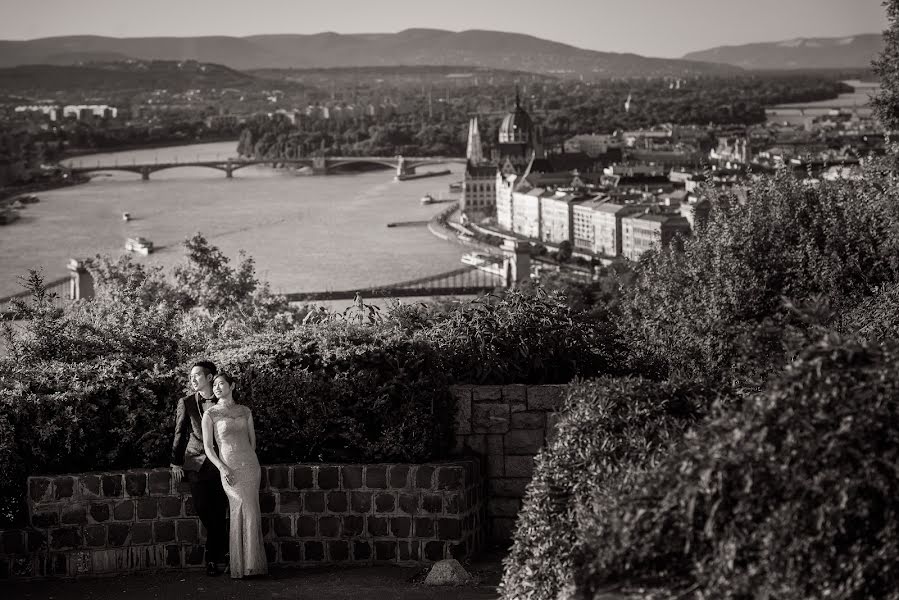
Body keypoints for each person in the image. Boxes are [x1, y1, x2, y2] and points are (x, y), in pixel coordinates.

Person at [201, 372, 267, 579]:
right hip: (229, 468)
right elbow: (208, 448)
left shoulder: (245, 411)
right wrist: (223, 468)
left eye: (221, 384)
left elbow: (252, 442)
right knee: (239, 507)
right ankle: (240, 564)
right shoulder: (210, 414)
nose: (217, 388)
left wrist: (249, 462)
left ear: (232, 385)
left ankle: (252, 565)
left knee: (252, 511)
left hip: (250, 466)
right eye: (215, 385)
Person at [170, 360, 229, 577]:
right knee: (204, 510)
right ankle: (223, 553)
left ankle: (213, 560)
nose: (192, 379)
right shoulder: (185, 402)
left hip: (221, 464)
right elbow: (179, 433)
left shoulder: (224, 401)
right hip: (195, 464)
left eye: (197, 375)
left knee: (220, 511)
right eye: (191, 376)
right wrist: (175, 462)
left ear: (210, 377)